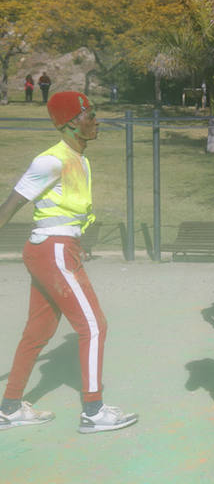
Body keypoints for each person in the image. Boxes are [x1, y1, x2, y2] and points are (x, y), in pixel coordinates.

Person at [0, 91, 138, 434]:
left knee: (38, 331)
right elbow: (9, 207)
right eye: (89, 114)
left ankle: (9, 408)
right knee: (93, 326)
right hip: (54, 250)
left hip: (60, 248)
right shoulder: (50, 161)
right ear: (70, 122)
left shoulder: (81, 159)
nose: (96, 119)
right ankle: (93, 411)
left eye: (94, 112)